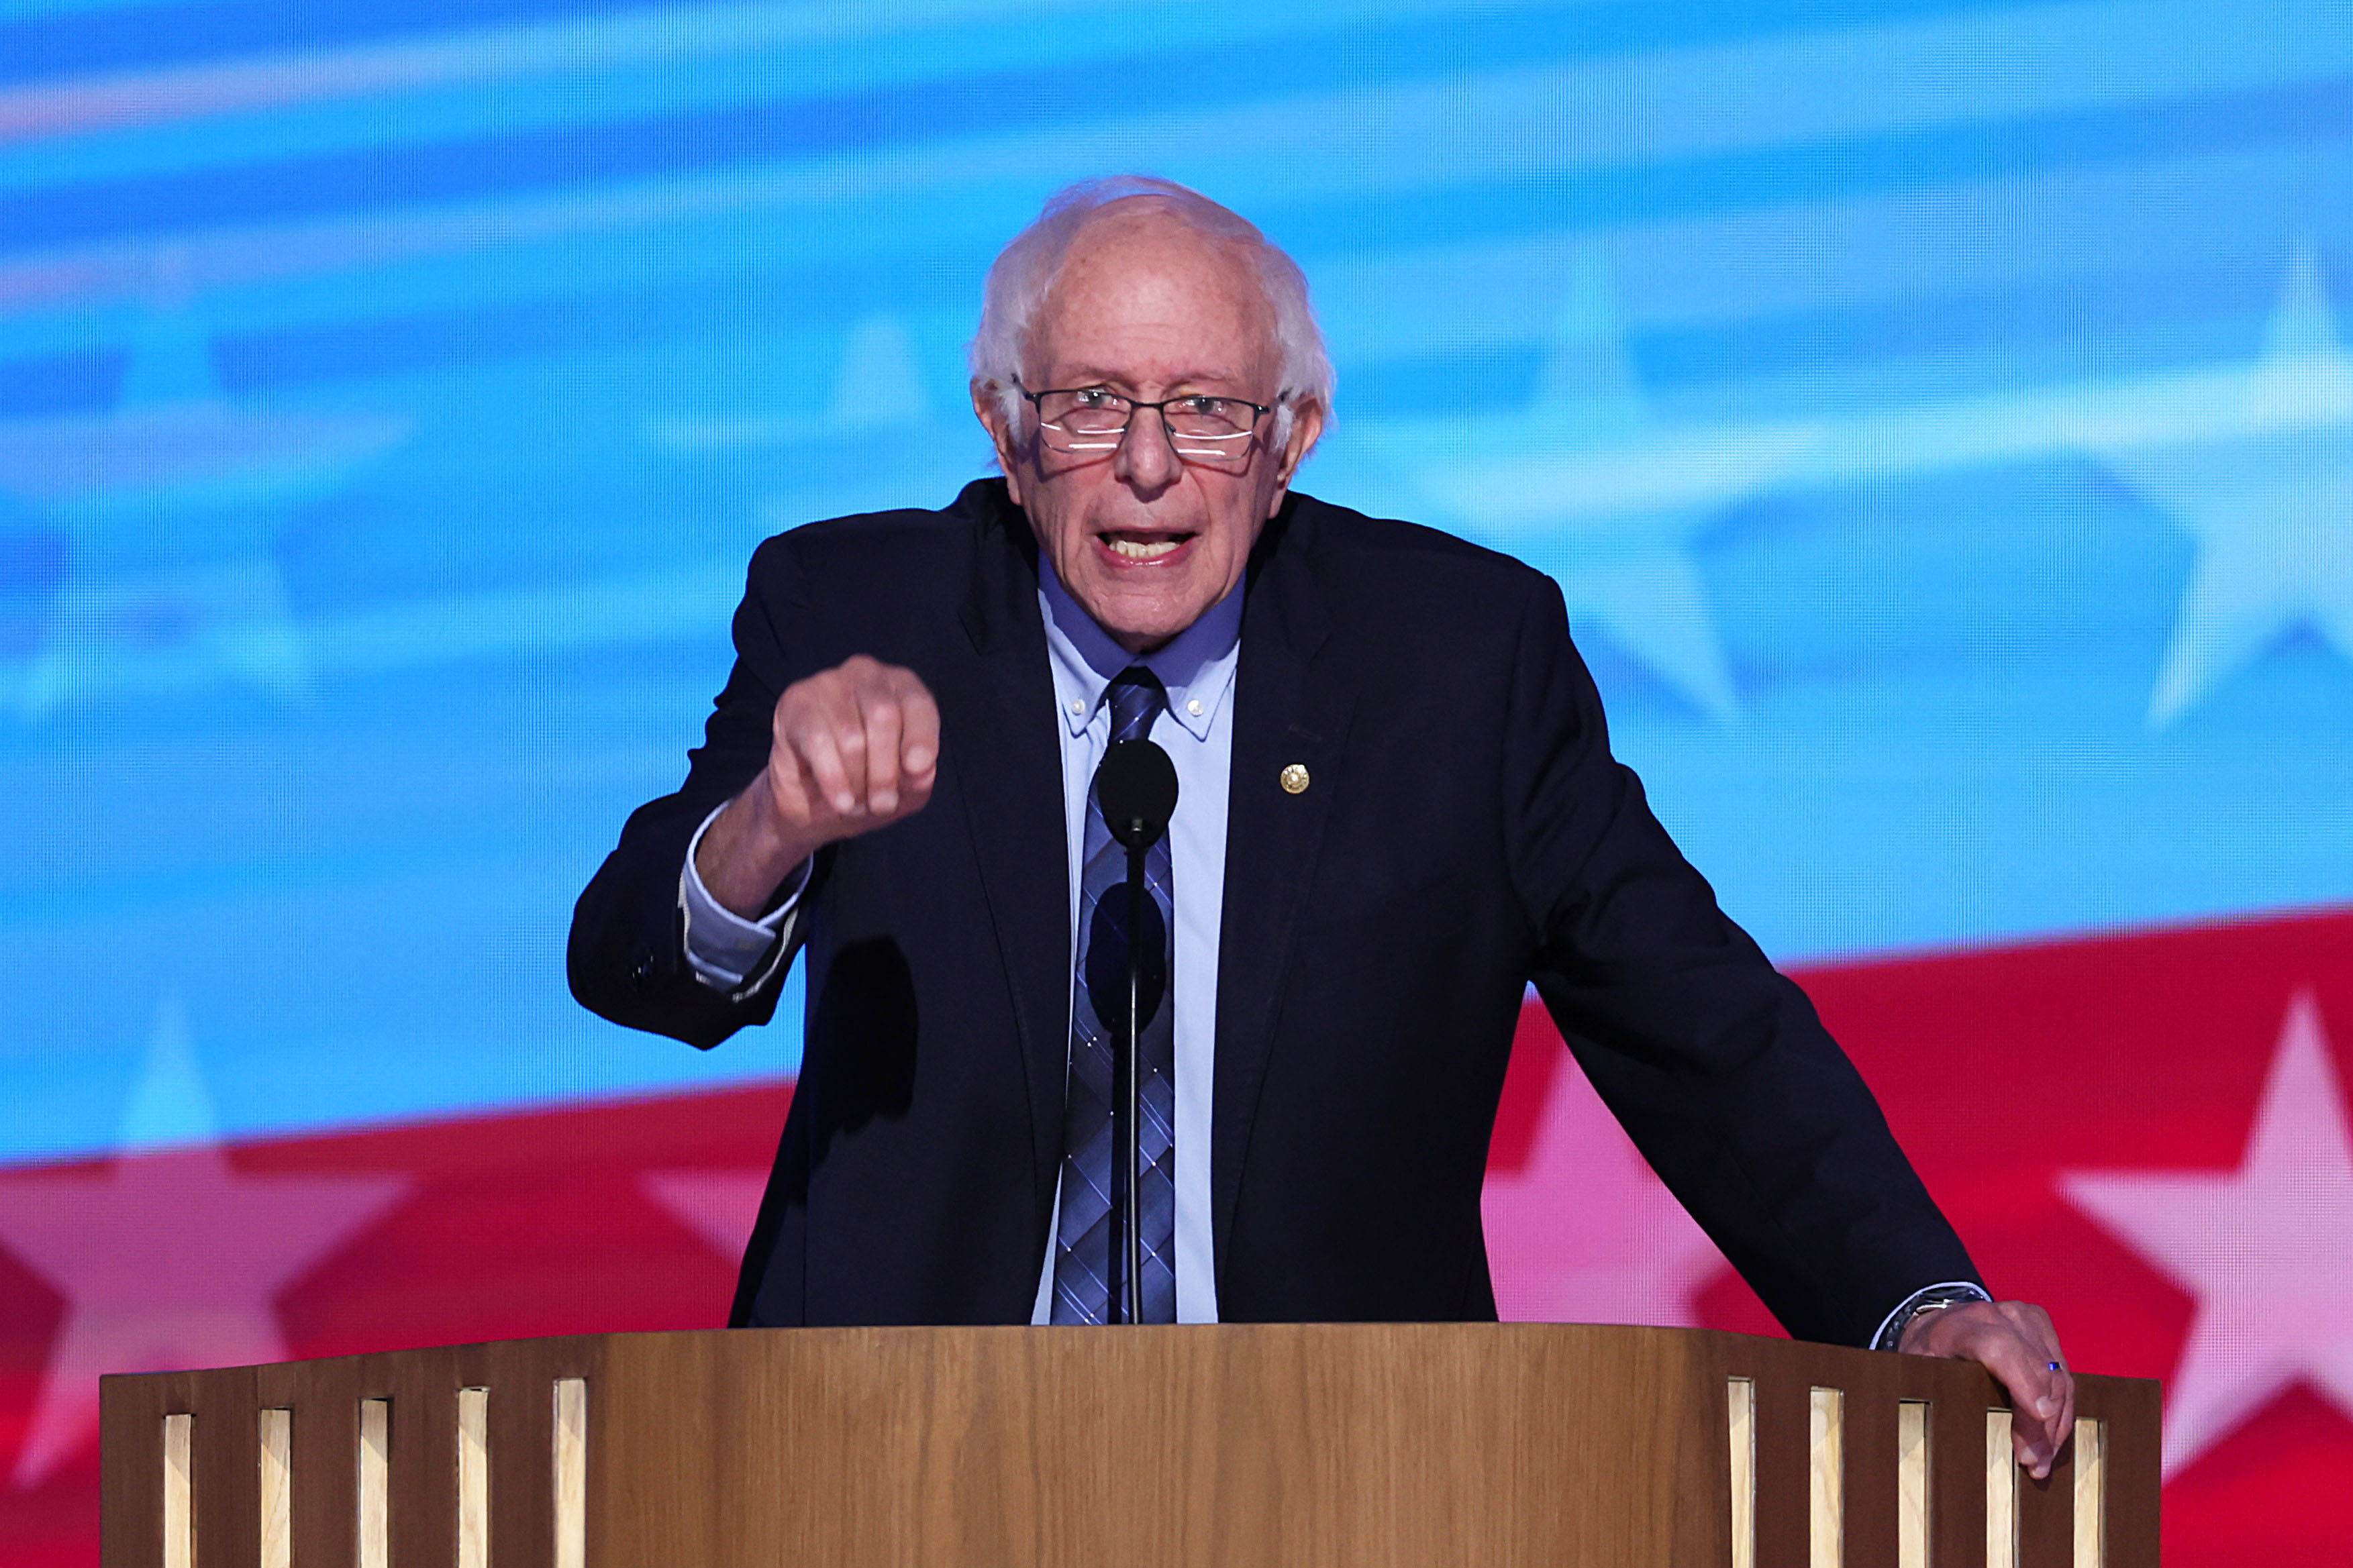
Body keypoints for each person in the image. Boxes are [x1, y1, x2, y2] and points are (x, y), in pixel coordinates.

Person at [570, 176, 2076, 1476]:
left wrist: (1910, 1303)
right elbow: (628, 964)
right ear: (1004, 429)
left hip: (1347, 1476)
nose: (1147, 466)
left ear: (1295, 435)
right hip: (887, 1469)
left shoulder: (1456, 663)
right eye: (1090, 403)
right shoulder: (856, 609)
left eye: (1207, 412)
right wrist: (766, 825)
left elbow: (1698, 1023)